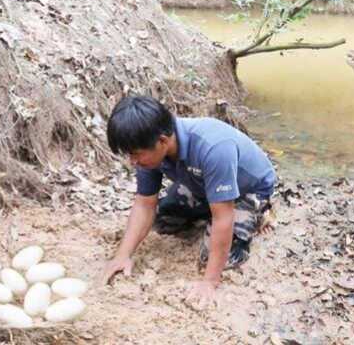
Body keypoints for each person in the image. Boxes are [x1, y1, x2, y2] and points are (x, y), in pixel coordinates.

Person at [101, 95, 276, 304]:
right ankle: (210, 204)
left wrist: (210, 282)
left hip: (248, 189)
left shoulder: (213, 147)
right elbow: (144, 204)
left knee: (217, 257)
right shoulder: (149, 150)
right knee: (162, 221)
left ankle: (260, 213)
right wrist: (123, 255)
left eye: (136, 155)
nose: (132, 162)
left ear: (163, 141)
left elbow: (223, 218)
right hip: (200, 184)